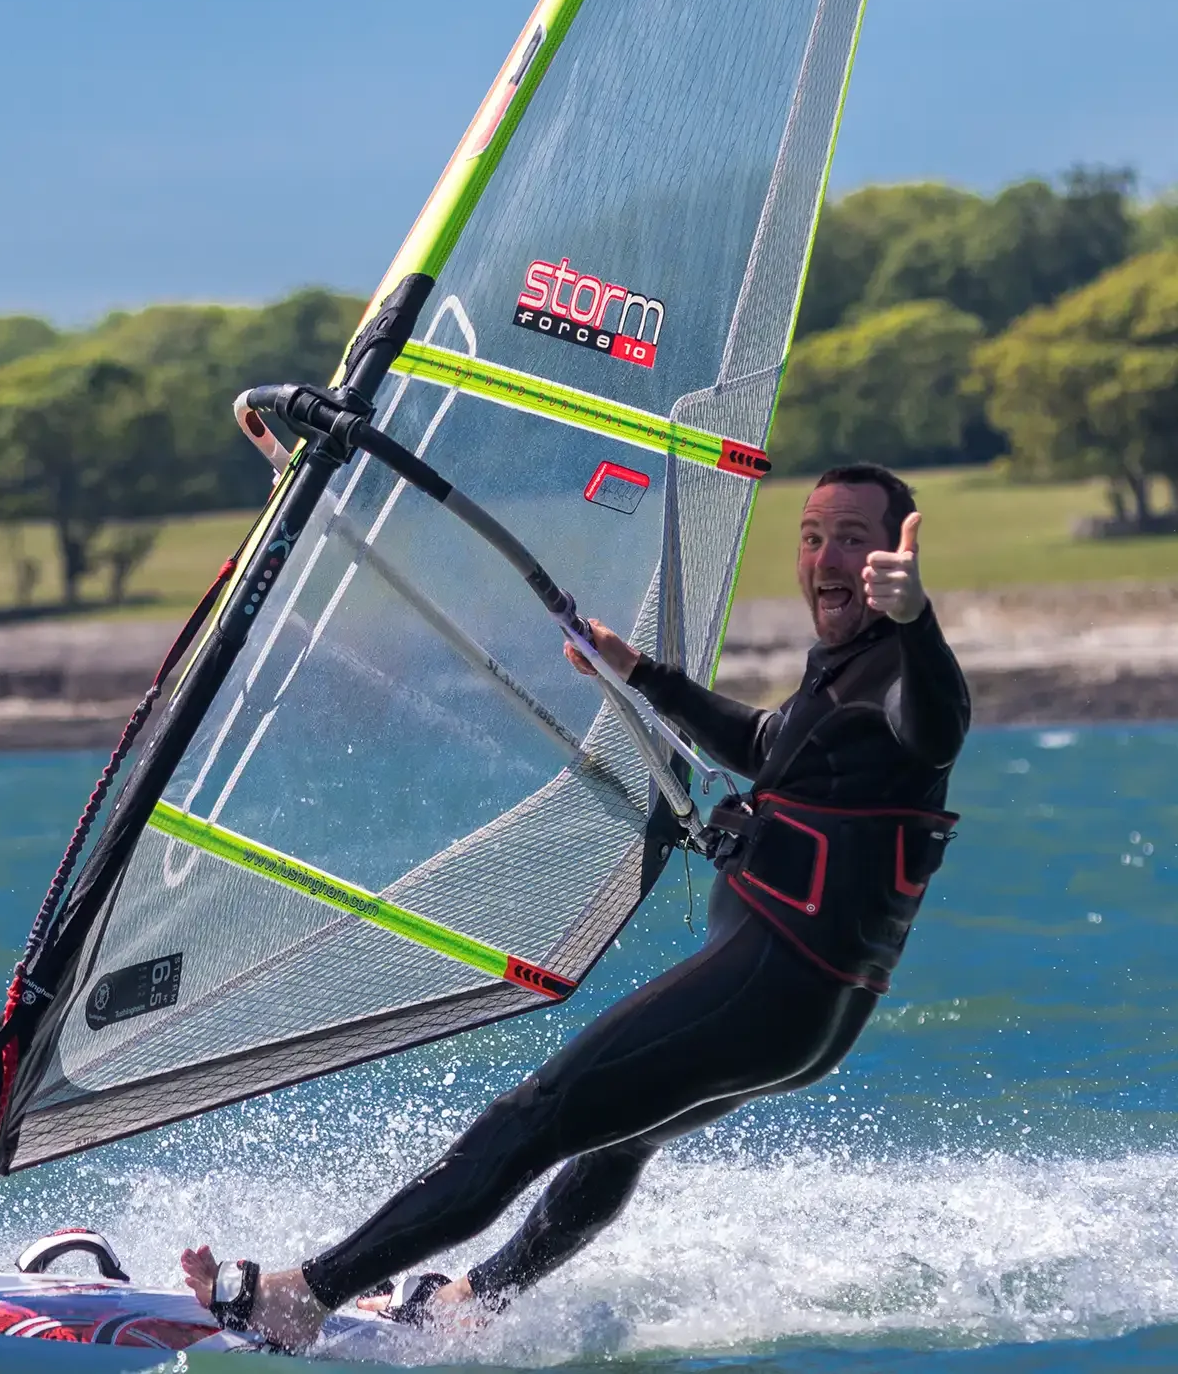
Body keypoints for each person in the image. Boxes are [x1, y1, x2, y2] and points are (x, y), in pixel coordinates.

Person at [181, 461, 971, 1347]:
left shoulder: (905, 673)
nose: (827, 558)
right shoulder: (845, 672)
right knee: (616, 1139)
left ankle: (308, 1295)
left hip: (776, 985)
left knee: (537, 1115)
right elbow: (767, 740)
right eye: (813, 537)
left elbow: (938, 722)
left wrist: (918, 619)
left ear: (891, 561)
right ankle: (473, 1299)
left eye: (853, 541)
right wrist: (642, 674)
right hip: (808, 1015)